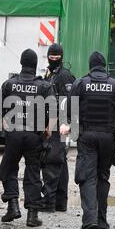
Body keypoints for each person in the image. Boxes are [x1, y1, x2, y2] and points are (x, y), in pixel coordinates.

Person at [61, 52, 115, 229]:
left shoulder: (81, 83)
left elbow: (69, 109)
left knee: (87, 177)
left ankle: (89, 220)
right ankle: (101, 220)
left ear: (90, 65)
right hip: (108, 136)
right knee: (102, 177)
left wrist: (73, 124)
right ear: (104, 66)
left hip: (87, 136)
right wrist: (114, 113)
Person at [0, 49, 56, 227]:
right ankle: (32, 216)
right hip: (34, 136)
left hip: (14, 134)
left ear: (22, 63)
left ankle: (13, 206)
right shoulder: (44, 85)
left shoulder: (9, 84)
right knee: (33, 173)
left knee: (7, 169)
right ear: (35, 64)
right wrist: (49, 129)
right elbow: (53, 110)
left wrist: (6, 127)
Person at [41, 44, 76, 213]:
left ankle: (49, 202)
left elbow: (68, 102)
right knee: (60, 162)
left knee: (53, 160)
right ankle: (60, 203)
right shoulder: (50, 74)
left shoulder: (65, 76)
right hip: (52, 122)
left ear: (62, 57)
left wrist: (65, 123)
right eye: (51, 57)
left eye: (56, 57)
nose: (53, 60)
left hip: (58, 124)